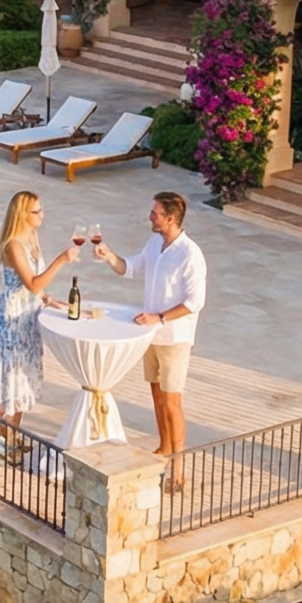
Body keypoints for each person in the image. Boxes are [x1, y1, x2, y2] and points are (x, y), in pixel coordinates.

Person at [92, 191, 207, 456]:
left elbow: (195, 302)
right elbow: (130, 267)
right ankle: (164, 447)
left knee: (172, 401)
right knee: (157, 395)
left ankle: (178, 465)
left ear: (171, 218)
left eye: (155, 214)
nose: (149, 217)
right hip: (151, 336)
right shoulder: (155, 242)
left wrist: (160, 317)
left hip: (174, 339)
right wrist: (109, 256)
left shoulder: (190, 254)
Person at [0, 191, 77, 459]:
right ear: (23, 214)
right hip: (13, 320)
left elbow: (35, 285)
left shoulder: (32, 237)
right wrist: (61, 260)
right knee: (10, 381)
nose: (42, 215)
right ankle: (3, 443)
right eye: (37, 211)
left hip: (29, 315)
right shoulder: (14, 245)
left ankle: (12, 436)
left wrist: (46, 299)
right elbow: (32, 283)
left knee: (23, 378)